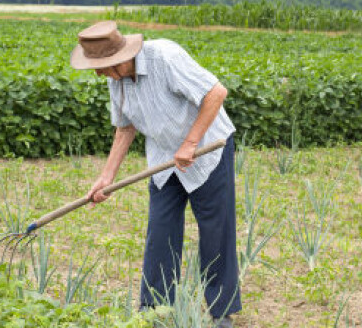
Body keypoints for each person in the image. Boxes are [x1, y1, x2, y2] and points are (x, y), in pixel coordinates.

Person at [71, 21, 240, 326]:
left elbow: (216, 93)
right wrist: (107, 177)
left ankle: (221, 311)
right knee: (160, 232)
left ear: (122, 57)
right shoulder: (116, 80)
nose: (98, 73)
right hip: (164, 159)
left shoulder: (165, 57)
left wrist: (190, 143)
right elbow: (125, 127)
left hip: (206, 152)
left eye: (102, 66)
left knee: (215, 232)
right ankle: (155, 309)